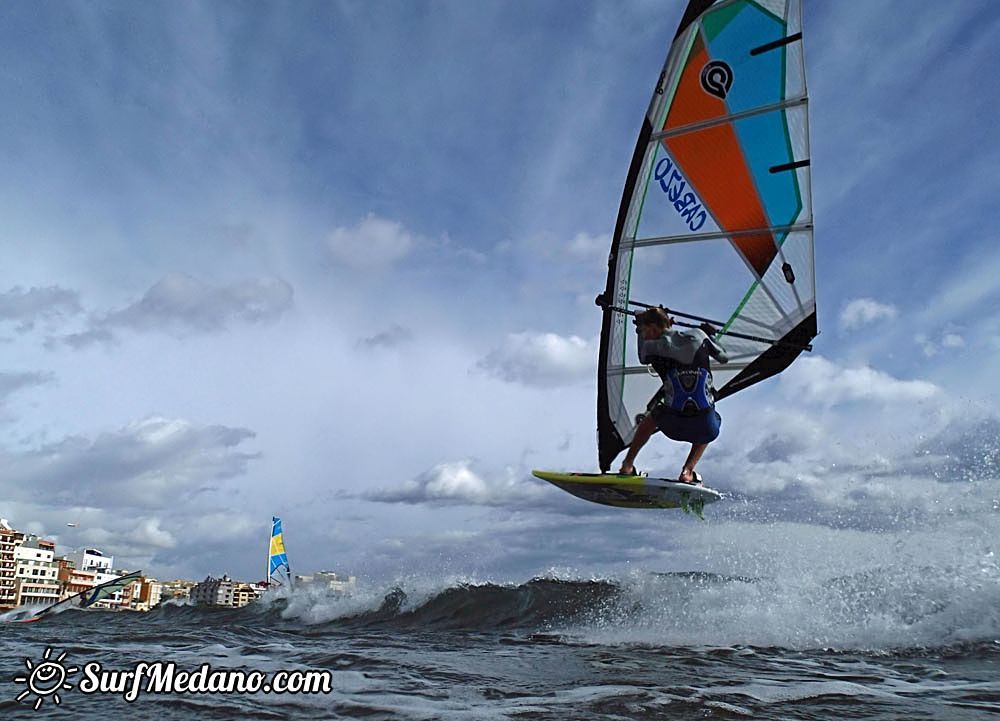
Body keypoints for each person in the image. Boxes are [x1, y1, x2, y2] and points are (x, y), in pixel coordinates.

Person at [618, 306, 728, 484]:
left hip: (672, 425)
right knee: (711, 414)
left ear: (653, 328)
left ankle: (627, 465)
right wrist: (709, 335)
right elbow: (723, 357)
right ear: (669, 322)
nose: (643, 334)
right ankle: (687, 471)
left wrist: (638, 326)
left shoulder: (652, 347)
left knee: (651, 417)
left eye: (645, 330)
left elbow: (642, 355)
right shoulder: (698, 336)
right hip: (705, 427)